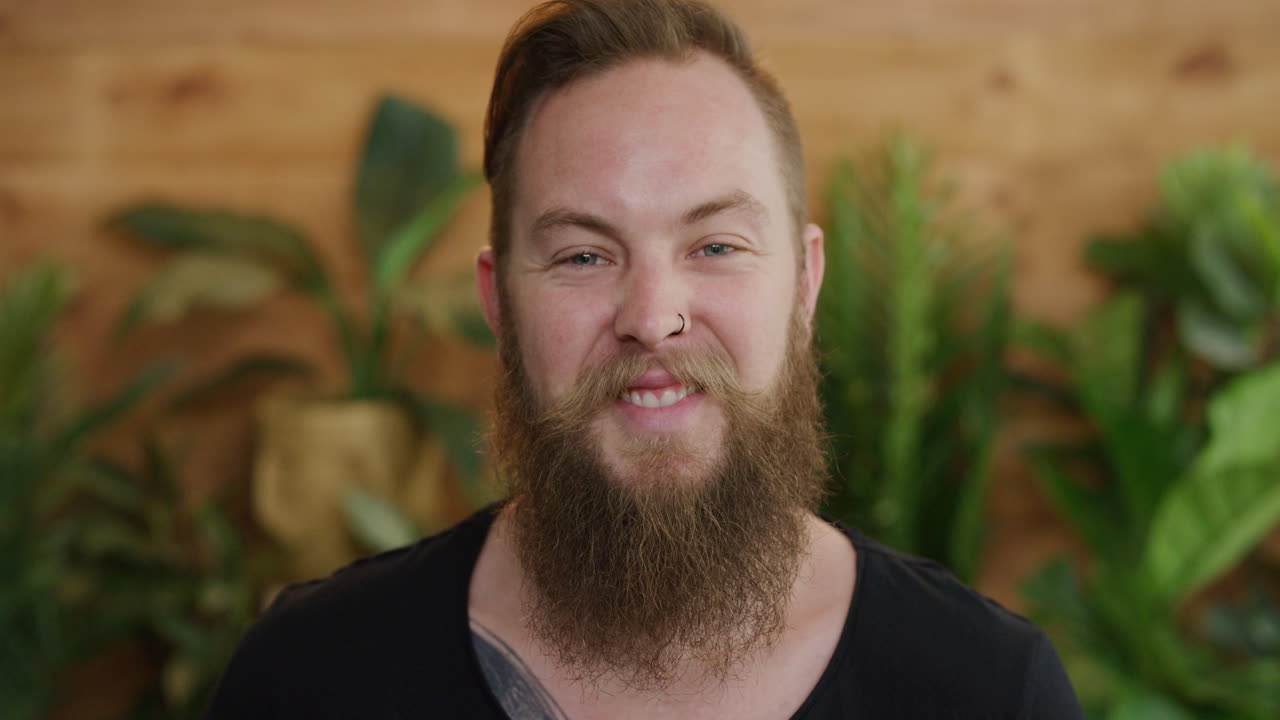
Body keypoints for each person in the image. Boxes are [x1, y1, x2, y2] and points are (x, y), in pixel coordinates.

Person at [204, 1, 1084, 717]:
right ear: (498, 306)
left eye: (717, 246)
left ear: (805, 287)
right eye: (585, 256)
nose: (653, 317)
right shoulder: (311, 679)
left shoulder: (985, 691)